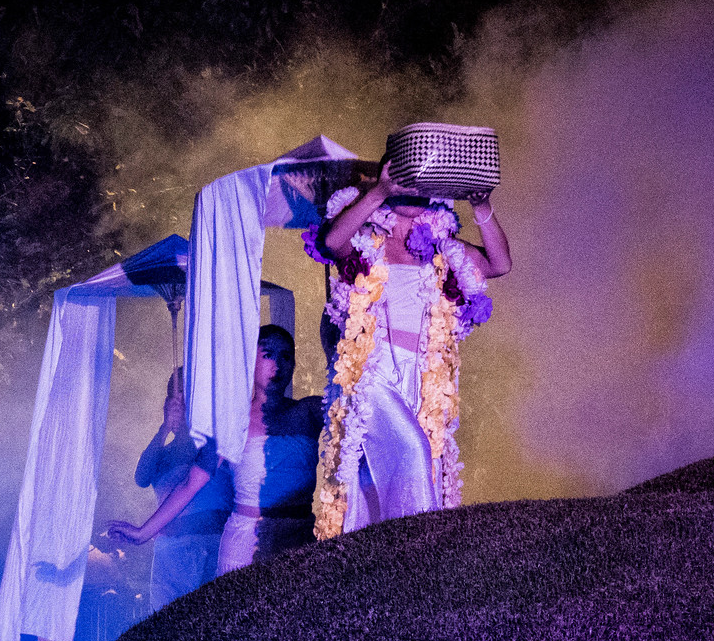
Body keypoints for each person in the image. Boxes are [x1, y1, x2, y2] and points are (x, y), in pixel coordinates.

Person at [308, 160, 511, 538]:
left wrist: (481, 205)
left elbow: (499, 264)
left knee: (390, 475)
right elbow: (332, 242)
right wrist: (379, 192)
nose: (415, 191)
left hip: (419, 375)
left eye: (423, 184)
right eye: (406, 182)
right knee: (413, 451)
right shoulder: (366, 237)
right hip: (370, 371)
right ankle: (420, 552)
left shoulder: (443, 246)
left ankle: (373, 556)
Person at [107, 326, 323, 576]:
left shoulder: (310, 410)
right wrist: (142, 532)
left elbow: (352, 403)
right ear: (250, 361)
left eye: (286, 356)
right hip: (245, 543)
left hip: (299, 541)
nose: (278, 364)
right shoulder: (232, 421)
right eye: (268, 355)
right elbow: (190, 484)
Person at [131, 371, 234, 611]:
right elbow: (141, 478)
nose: (182, 406)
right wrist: (164, 428)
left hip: (213, 547)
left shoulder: (216, 447)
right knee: (168, 627)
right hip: (170, 555)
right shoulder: (162, 453)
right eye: (176, 401)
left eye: (187, 399)